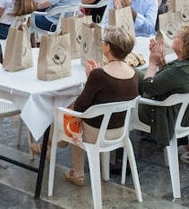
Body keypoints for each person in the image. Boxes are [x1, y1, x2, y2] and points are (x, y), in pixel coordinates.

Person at [52, 27, 139, 188]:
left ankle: (65, 159)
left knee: (65, 113)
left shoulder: (99, 75)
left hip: (96, 132)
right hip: (120, 130)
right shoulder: (134, 74)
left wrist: (89, 78)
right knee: (72, 111)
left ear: (108, 47)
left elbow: (80, 106)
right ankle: (55, 145)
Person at [137, 26, 189, 147]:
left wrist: (152, 63)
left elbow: (148, 86)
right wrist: (160, 61)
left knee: (133, 76)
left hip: (165, 117)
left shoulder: (178, 70)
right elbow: (170, 81)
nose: (173, 38)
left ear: (184, 46)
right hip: (187, 116)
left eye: (176, 37)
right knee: (137, 75)